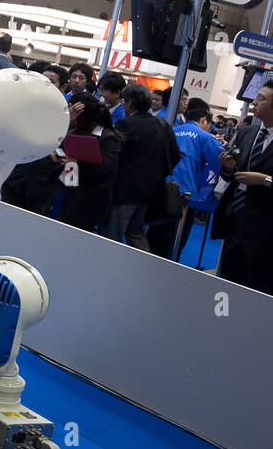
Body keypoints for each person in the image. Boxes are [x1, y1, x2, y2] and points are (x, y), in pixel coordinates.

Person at [213, 80, 273, 294]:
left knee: (258, 289)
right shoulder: (248, 133)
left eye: (261, 99)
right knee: (228, 285)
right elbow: (231, 173)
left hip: (266, 231)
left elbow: (262, 179)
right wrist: (229, 167)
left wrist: (264, 179)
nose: (254, 102)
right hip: (235, 221)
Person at [105, 83, 181, 250]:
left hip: (125, 189)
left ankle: (108, 268)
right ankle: (138, 268)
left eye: (124, 101)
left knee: (113, 235)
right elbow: (175, 155)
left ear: (129, 103)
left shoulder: (126, 125)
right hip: (151, 189)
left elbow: (116, 155)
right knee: (136, 233)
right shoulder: (163, 124)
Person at [146, 98, 224, 260]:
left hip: (160, 188)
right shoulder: (205, 136)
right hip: (184, 197)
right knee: (175, 241)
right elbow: (222, 165)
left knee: (154, 234)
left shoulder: (173, 130)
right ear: (204, 120)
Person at [56, 92, 121, 233]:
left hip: (91, 200)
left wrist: (76, 163)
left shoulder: (107, 138)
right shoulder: (73, 131)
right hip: (69, 192)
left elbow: (108, 171)